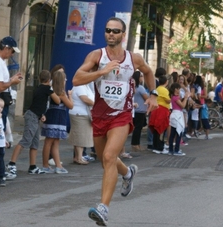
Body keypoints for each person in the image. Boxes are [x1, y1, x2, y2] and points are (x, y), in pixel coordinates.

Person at [72, 17, 158, 226]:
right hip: (100, 115)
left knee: (110, 156)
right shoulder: (97, 56)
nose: (111, 34)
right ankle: (128, 173)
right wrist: (101, 71)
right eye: (108, 30)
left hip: (122, 114)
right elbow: (76, 79)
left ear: (123, 35)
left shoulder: (133, 58)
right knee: (105, 160)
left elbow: (148, 72)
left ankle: (103, 208)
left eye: (116, 31)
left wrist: (153, 94)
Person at [7, 70, 60, 175]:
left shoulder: (39, 88)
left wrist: (41, 115)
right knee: (26, 140)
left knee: (35, 142)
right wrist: (53, 88)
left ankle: (33, 166)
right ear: (49, 80)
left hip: (35, 116)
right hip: (32, 117)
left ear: (39, 79)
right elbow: (58, 101)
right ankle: (11, 163)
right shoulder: (47, 89)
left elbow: (38, 104)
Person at [41, 70, 73, 174]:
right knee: (51, 142)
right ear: (62, 81)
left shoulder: (51, 90)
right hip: (58, 118)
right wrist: (70, 96)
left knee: (51, 142)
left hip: (51, 116)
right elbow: (70, 106)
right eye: (65, 79)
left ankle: (57, 165)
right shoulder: (62, 93)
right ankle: (46, 165)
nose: (66, 81)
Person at [68, 82, 94, 164]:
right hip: (79, 114)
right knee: (81, 136)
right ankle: (79, 158)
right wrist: (96, 104)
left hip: (82, 113)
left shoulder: (85, 86)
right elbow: (85, 99)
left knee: (79, 136)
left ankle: (77, 157)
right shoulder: (80, 86)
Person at [149, 75, 170, 154]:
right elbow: (168, 100)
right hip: (162, 110)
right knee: (161, 129)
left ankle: (155, 146)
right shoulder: (164, 90)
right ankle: (160, 147)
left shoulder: (157, 89)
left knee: (156, 129)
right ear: (166, 82)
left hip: (156, 109)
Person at [168, 83, 188, 156]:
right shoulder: (175, 97)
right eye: (179, 88)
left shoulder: (174, 97)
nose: (179, 90)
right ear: (175, 89)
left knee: (173, 134)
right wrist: (185, 98)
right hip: (177, 115)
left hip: (175, 115)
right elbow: (182, 105)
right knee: (178, 134)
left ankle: (171, 150)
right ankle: (176, 150)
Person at [131, 71, 148, 152]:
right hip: (140, 110)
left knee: (136, 128)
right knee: (138, 128)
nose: (142, 77)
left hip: (135, 110)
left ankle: (136, 144)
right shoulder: (140, 88)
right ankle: (135, 144)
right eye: (141, 76)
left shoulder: (133, 87)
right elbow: (146, 98)